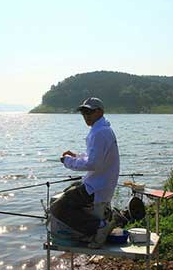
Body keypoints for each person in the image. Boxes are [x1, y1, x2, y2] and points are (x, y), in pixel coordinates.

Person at [50, 97, 120, 248]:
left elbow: (93, 163)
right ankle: (95, 227)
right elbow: (95, 157)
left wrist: (68, 161)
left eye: (89, 112)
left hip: (97, 186)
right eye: (83, 112)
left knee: (57, 207)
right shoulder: (103, 129)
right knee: (69, 190)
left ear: (100, 112)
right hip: (101, 183)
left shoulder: (99, 132)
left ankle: (97, 227)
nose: (86, 116)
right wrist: (76, 156)